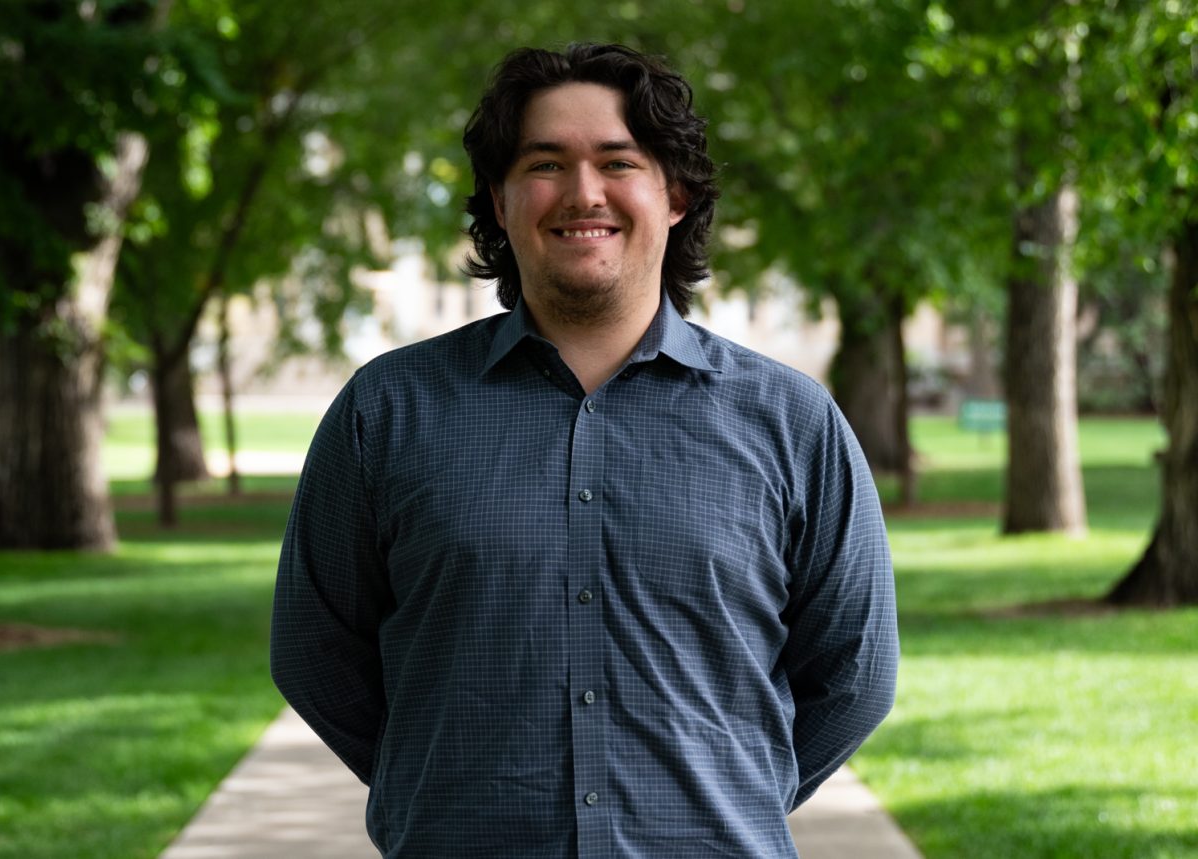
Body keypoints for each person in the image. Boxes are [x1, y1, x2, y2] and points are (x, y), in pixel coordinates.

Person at [271, 42, 898, 859]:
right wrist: (437, 784)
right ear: (499, 200)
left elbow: (853, 674)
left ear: (674, 194)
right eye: (545, 164)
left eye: (618, 161)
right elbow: (316, 651)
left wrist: (727, 793)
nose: (583, 193)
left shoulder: (792, 420)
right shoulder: (387, 411)